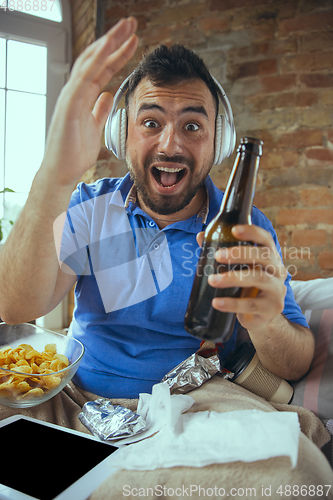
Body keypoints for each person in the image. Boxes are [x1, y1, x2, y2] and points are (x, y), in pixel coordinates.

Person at [0, 17, 314, 399]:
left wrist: (266, 321)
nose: (170, 145)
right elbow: (15, 309)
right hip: (79, 396)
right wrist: (53, 177)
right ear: (122, 135)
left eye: (193, 126)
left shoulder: (247, 229)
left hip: (197, 405)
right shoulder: (88, 206)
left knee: (297, 457)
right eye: (150, 122)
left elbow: (295, 363)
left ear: (219, 141)